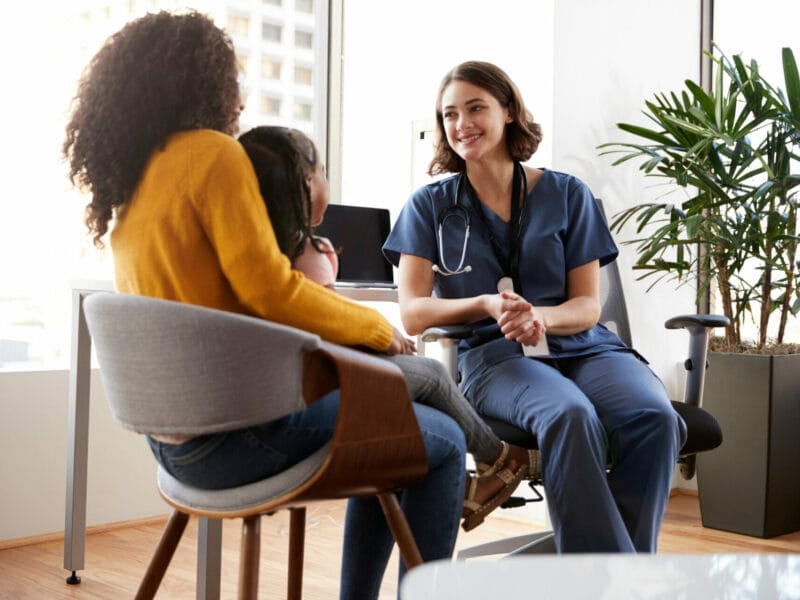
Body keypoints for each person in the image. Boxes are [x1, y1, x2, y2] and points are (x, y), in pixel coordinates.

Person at [64, 12, 452, 598]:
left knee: (395, 424)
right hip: (242, 436)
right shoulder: (214, 155)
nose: (240, 98)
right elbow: (268, 289)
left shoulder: (133, 182)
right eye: (231, 80)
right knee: (439, 442)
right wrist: (373, 327)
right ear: (202, 82)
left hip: (175, 450)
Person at [382, 60, 688, 553]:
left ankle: (613, 574)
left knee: (655, 416)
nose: (462, 124)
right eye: (449, 114)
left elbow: (588, 305)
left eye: (476, 107)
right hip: (495, 358)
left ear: (508, 111)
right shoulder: (429, 205)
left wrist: (541, 317)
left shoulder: (568, 194)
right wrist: (483, 303)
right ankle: (612, 581)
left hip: (584, 347)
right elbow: (414, 312)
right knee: (569, 415)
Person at [237, 125, 541, 531]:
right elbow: (325, 323)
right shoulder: (309, 254)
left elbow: (321, 320)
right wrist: (379, 334)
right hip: (315, 384)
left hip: (284, 385)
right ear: (307, 182)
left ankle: (493, 463)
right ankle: (501, 458)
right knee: (431, 375)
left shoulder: (245, 253)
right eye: (324, 171)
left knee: (415, 398)